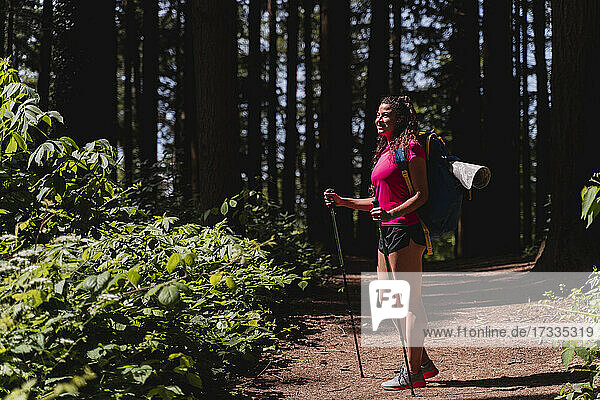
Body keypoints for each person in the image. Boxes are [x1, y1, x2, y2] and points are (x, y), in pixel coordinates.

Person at [323, 95, 438, 390]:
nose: (379, 119)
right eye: (377, 114)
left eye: (386, 115)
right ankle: (422, 362)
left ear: (399, 119)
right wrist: (343, 202)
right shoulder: (385, 153)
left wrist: (392, 212)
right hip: (385, 233)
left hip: (406, 231)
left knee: (409, 302)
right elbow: (377, 200)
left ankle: (412, 373)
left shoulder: (410, 148)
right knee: (390, 303)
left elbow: (421, 195)